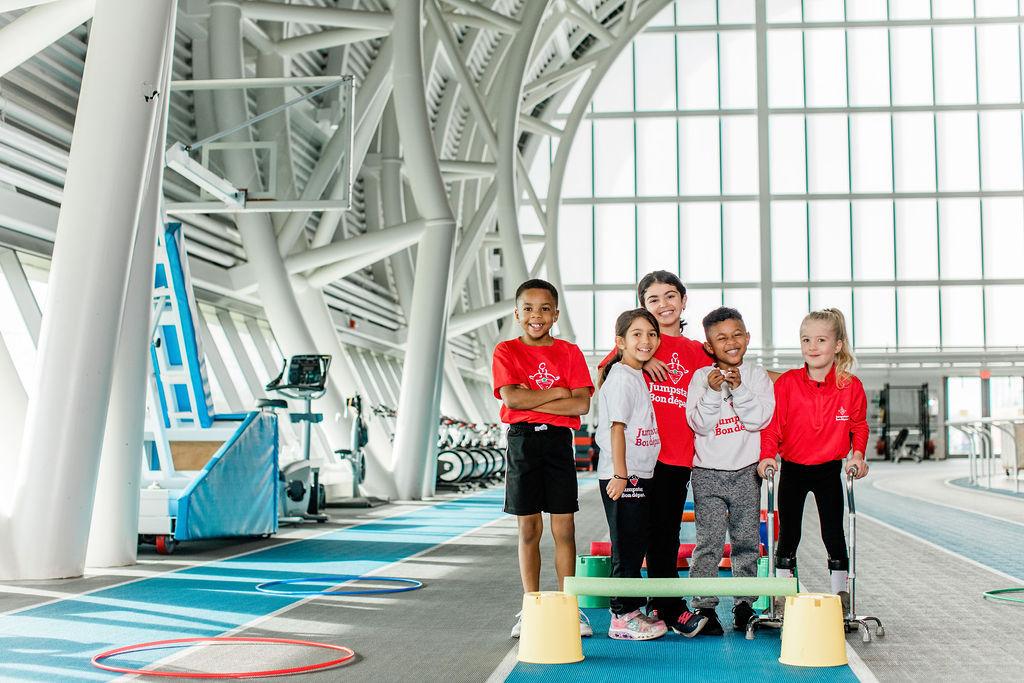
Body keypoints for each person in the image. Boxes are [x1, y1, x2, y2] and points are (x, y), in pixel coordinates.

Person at [597, 270, 711, 636]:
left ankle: (666, 606)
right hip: (639, 459)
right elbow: (605, 378)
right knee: (631, 537)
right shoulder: (640, 342)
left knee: (666, 536)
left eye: (670, 295)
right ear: (642, 305)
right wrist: (645, 362)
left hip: (676, 456)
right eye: (653, 299)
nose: (663, 304)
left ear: (683, 300)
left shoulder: (696, 351)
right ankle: (627, 611)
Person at [492, 278, 594, 639]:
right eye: (530, 308)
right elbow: (512, 401)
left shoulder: (569, 352)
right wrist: (556, 392)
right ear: (518, 313)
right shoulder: (506, 351)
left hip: (557, 443)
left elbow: (581, 403)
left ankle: (570, 607)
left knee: (564, 528)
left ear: (555, 314)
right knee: (529, 528)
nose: (537, 315)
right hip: (522, 443)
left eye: (545, 308)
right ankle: (531, 604)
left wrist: (532, 395)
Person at [759, 308, 869, 613]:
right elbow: (773, 426)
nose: (812, 346)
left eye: (821, 340)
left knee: (833, 531)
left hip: (828, 471)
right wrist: (767, 456)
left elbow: (858, 425)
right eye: (806, 339)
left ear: (837, 345)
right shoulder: (788, 383)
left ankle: (841, 594)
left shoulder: (851, 386)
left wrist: (857, 455)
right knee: (789, 532)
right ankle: (782, 594)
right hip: (793, 470)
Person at [685, 307, 775, 634]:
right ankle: (704, 607)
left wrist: (739, 390)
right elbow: (699, 424)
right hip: (707, 471)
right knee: (707, 543)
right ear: (710, 347)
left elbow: (759, 420)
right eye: (721, 338)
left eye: (737, 334)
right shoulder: (699, 378)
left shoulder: (757, 376)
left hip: (746, 471)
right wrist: (711, 392)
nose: (731, 342)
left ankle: (744, 605)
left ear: (747, 337)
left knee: (746, 542)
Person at [595, 309, 668, 640]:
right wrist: (621, 475)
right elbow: (617, 429)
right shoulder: (623, 377)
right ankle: (622, 615)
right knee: (625, 545)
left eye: (651, 334)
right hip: (624, 477)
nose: (646, 340)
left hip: (637, 474)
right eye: (636, 334)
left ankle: (630, 609)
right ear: (620, 342)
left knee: (635, 542)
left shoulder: (634, 374)